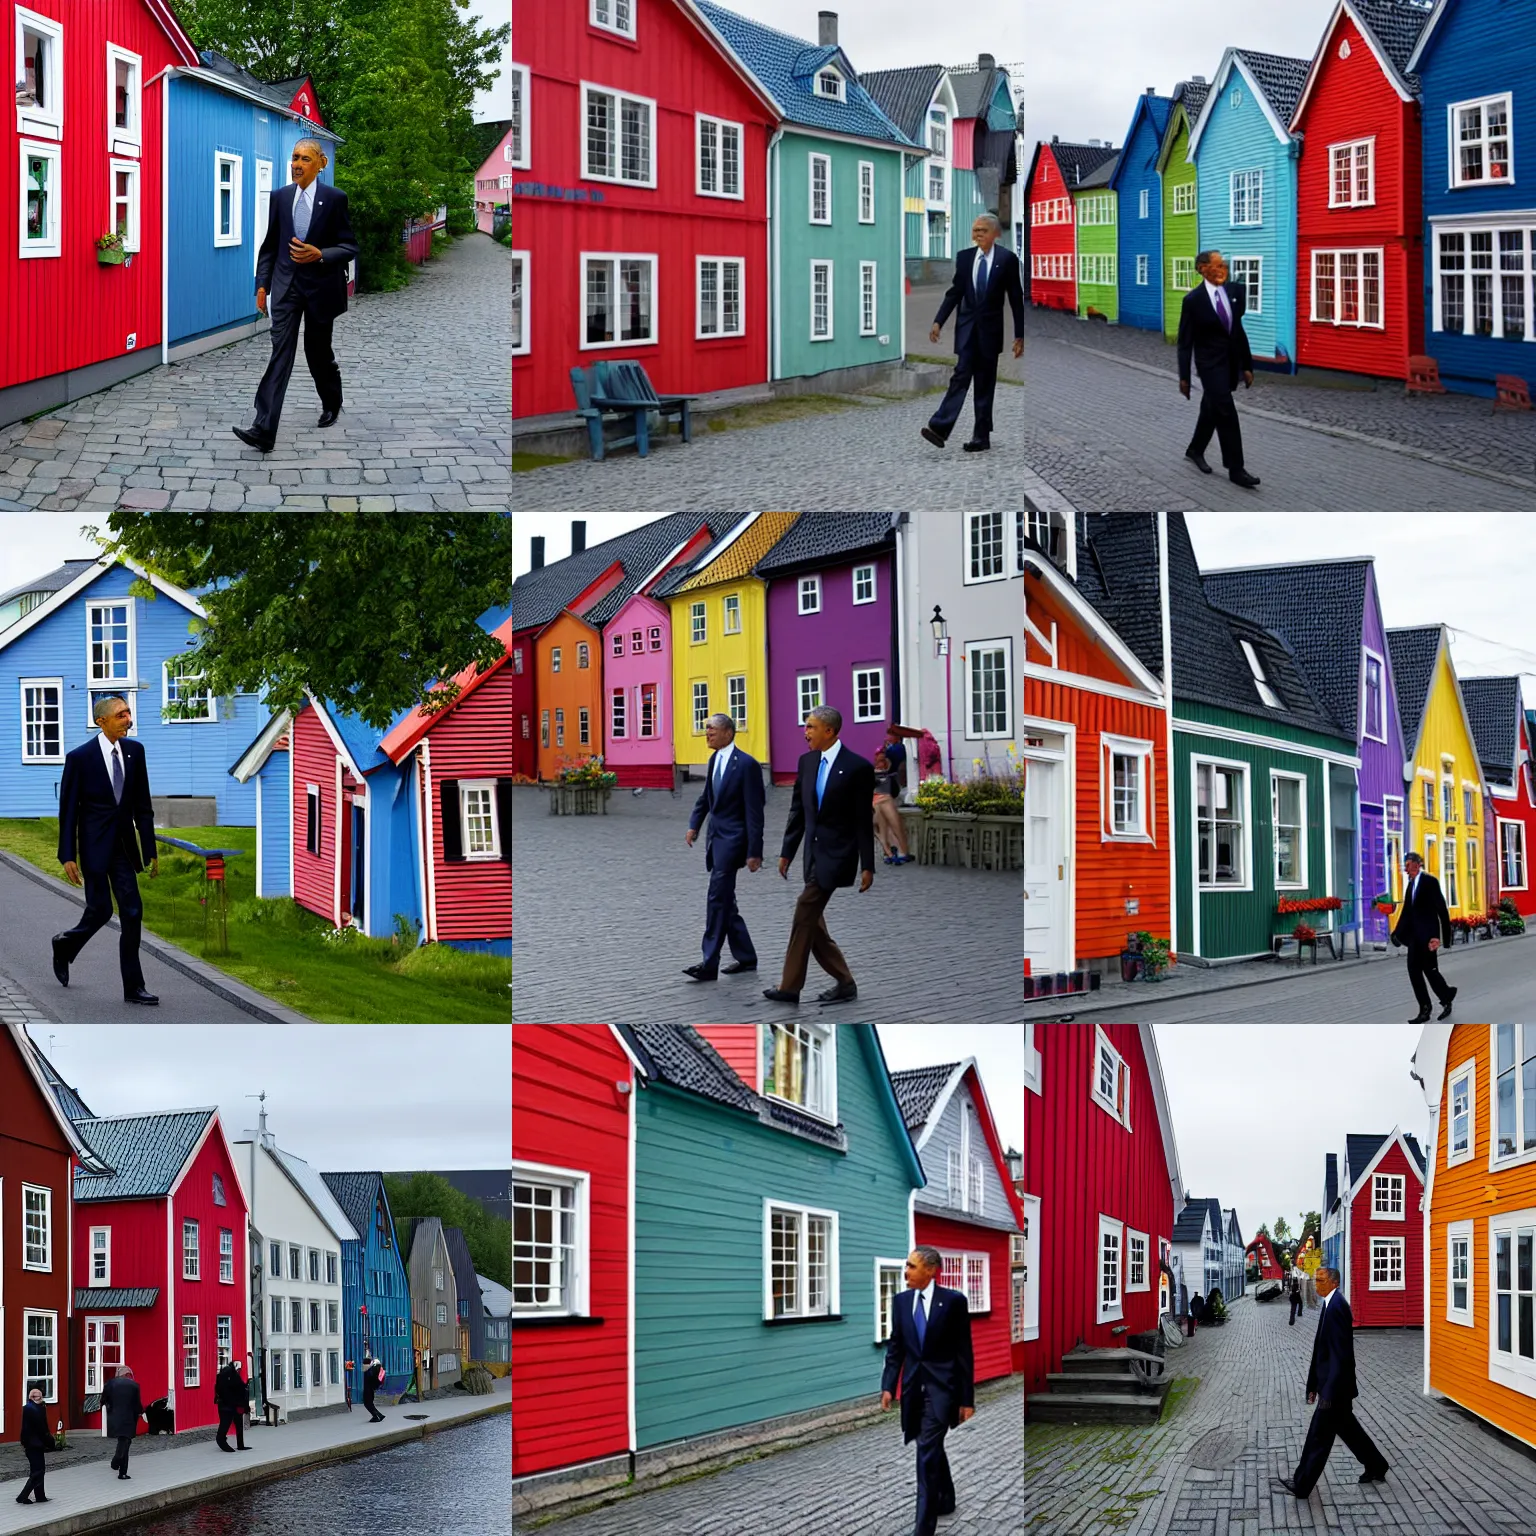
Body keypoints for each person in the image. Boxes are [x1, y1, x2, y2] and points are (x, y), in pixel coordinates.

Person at [234, 138, 358, 452]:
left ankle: (332, 401)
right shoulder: (279, 198)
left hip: (320, 290)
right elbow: (270, 247)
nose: (297, 164)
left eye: (304, 158)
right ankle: (264, 429)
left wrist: (321, 254)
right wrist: (262, 285)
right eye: (294, 158)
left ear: (320, 164)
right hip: (286, 288)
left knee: (317, 353)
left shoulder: (334, 199)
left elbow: (349, 247)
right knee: (280, 354)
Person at [764, 706, 875, 1006]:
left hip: (838, 854)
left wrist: (868, 866)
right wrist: (787, 852)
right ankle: (845, 982)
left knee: (804, 910)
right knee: (813, 924)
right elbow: (798, 811)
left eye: (811, 727)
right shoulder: (807, 762)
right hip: (812, 855)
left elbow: (864, 820)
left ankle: (789, 987)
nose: (806, 732)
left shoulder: (857, 768)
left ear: (830, 731)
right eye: (806, 726)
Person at [52, 694, 159, 1005]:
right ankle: (65, 945)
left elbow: (143, 805)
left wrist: (150, 849)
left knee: (133, 912)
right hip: (94, 847)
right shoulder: (80, 759)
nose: (128, 719)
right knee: (101, 910)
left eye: (128, 713)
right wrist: (67, 854)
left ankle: (133, 987)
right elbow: (68, 810)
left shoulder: (135, 752)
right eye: (121, 715)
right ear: (101, 721)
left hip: (124, 847)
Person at [881, 1247, 975, 1536]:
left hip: (942, 1390)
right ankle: (945, 1499)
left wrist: (966, 1400)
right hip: (913, 1390)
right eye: (906, 1265)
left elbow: (963, 1353)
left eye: (911, 1266)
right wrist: (888, 1386)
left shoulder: (953, 1302)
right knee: (930, 1446)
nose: (905, 1271)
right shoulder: (900, 1302)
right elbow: (896, 1348)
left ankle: (923, 1529)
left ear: (931, 1270)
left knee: (926, 1452)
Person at [1273, 1266, 1389, 1499]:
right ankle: (1377, 1465)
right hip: (1334, 1386)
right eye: (1316, 1279)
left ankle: (1302, 1484)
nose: (1317, 1284)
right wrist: (1314, 1384)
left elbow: (1341, 1355)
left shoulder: (1337, 1307)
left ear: (1334, 1282)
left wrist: (1328, 1393)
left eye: (1322, 1280)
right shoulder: (1329, 1303)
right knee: (1349, 1430)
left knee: (1318, 1436)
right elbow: (1321, 1351)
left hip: (1335, 1390)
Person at [920, 214, 1025, 453]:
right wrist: (938, 321)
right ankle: (939, 427)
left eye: (982, 230)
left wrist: (1020, 335)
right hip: (967, 331)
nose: (977, 234)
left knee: (985, 385)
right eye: (975, 230)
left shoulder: (1007, 260)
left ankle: (981, 437)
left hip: (990, 333)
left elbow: (1016, 300)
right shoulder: (965, 259)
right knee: (960, 377)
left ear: (994, 234)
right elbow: (955, 293)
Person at [683, 713, 764, 980]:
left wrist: (754, 851)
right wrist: (695, 824)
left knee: (717, 898)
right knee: (726, 901)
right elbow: (707, 797)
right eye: (706, 729)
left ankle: (709, 962)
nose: (707, 733)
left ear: (728, 733)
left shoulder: (747, 765)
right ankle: (746, 957)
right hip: (715, 839)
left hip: (734, 841)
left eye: (712, 729)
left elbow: (755, 811)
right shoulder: (714, 759)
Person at [1176, 249, 1261, 488]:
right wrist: (1184, 377)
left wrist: (1247, 365)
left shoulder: (1235, 292)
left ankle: (1195, 449)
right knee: (1226, 410)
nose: (1222, 269)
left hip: (1230, 362)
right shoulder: (1193, 301)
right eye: (1216, 265)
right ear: (1202, 268)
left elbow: (1237, 330)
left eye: (1223, 265)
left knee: (1212, 407)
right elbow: (1185, 342)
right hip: (1209, 365)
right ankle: (1236, 469)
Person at [1391, 851, 1456, 1023]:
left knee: (1430, 971)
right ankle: (1425, 1009)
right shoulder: (1411, 886)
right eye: (1404, 866)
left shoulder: (1430, 882)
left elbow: (1442, 910)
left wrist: (1442, 938)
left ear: (1417, 864)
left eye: (1408, 865)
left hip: (1428, 939)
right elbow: (1407, 913)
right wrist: (1397, 934)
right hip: (1414, 939)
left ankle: (1446, 997)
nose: (1406, 870)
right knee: (1414, 972)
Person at [104, 1364, 144, 1479]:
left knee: (123, 1441)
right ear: (128, 1375)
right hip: (129, 1419)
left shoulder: (110, 1384)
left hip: (114, 1418)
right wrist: (141, 1412)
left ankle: (122, 1471)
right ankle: (116, 1462)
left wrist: (110, 1409)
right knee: (125, 1442)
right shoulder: (134, 1386)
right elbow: (137, 1404)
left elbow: (104, 1399)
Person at [873, 750, 911, 864]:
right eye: (879, 761)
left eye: (883, 761)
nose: (882, 764)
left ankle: (898, 851)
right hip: (875, 801)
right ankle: (889, 851)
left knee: (894, 825)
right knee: (881, 827)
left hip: (885, 798)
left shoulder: (888, 772)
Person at [15, 1385, 51, 1504]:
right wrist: (50, 1442)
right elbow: (42, 1429)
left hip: (31, 1443)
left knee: (38, 1470)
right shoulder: (34, 1409)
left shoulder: (30, 1407)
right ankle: (23, 1496)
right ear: (36, 1397)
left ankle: (40, 1496)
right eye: (40, 1397)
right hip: (34, 1444)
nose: (41, 1399)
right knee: (38, 1471)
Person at [214, 1358, 250, 1451]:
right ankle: (223, 1440)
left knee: (231, 1423)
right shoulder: (231, 1376)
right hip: (231, 1405)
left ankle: (239, 1444)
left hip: (227, 1404)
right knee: (229, 1423)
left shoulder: (223, 1376)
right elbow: (240, 1389)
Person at [362, 1354, 387, 1423]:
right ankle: (378, 1416)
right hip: (371, 1389)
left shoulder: (368, 1371)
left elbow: (369, 1380)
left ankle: (377, 1416)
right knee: (369, 1404)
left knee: (367, 1404)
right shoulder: (371, 1370)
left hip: (368, 1390)